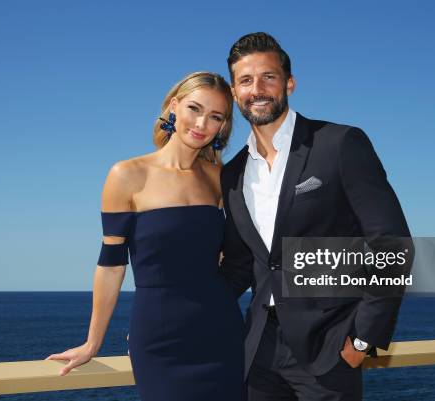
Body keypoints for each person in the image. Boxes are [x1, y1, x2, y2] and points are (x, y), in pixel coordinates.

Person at [220, 32, 413, 401]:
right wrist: (172, 314)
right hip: (259, 351)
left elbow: (392, 244)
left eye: (268, 77)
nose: (257, 88)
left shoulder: (340, 144)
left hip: (329, 350)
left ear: (289, 83)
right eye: (246, 80)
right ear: (234, 92)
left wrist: (362, 337)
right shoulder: (233, 174)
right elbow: (241, 267)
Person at [46, 71, 246, 401]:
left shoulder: (219, 178)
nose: (201, 124)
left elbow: (228, 254)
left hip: (221, 329)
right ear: (173, 106)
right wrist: (93, 341)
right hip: (160, 337)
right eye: (194, 109)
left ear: (222, 126)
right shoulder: (126, 175)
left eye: (215, 117)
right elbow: (111, 265)